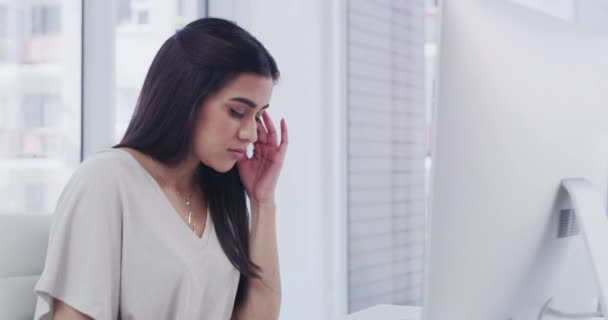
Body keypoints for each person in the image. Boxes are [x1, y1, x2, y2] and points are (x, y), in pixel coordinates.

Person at [33, 17, 288, 320]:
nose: (251, 134)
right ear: (187, 98)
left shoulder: (219, 193)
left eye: (258, 116)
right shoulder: (107, 180)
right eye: (237, 112)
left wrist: (262, 201)